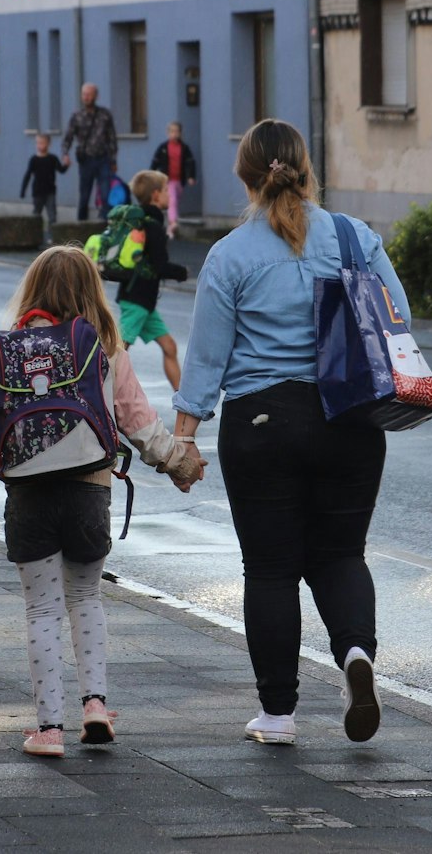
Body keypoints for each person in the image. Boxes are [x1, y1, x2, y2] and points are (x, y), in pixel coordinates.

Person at [172, 119, 408, 747]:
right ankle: (355, 654)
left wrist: (184, 438)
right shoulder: (355, 237)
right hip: (350, 418)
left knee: (271, 570)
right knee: (342, 554)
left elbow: (207, 357)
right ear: (306, 168)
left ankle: (277, 714)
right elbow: (397, 318)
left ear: (246, 176)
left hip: (261, 423)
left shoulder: (230, 255)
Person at [0, 247, 205, 757]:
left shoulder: (7, 351)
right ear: (92, 290)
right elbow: (138, 422)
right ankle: (94, 706)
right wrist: (180, 464)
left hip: (28, 498)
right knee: (86, 598)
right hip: (90, 491)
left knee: (42, 610)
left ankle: (49, 729)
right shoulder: (104, 346)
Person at [114, 170, 189, 390]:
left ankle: (183, 398)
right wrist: (182, 272)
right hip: (137, 301)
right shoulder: (152, 226)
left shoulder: (143, 222)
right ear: (155, 195)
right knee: (117, 352)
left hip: (143, 302)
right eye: (166, 190)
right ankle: (100, 394)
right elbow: (160, 266)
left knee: (169, 347)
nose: (169, 194)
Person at [61, 83, 118, 221]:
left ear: (95, 96)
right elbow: (68, 137)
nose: (86, 97)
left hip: (103, 159)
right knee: (84, 195)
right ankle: (81, 225)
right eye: (84, 94)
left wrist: (113, 160)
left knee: (105, 194)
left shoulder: (105, 115)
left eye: (89, 94)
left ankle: (105, 224)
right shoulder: (77, 116)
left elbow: (112, 138)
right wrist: (65, 154)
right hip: (86, 160)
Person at [150, 121, 198, 236]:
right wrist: (151, 175)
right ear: (168, 133)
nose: (174, 134)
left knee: (174, 200)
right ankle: (173, 222)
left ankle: (169, 228)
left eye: (176, 131)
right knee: (172, 200)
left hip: (179, 180)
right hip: (168, 180)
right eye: (172, 131)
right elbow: (155, 161)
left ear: (180, 133)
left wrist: (190, 176)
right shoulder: (163, 148)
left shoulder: (184, 148)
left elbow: (190, 163)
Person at [20, 133, 67, 232]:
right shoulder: (34, 160)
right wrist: (23, 190)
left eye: (42, 143)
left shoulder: (52, 158)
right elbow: (28, 175)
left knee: (52, 215)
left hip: (50, 191)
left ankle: (52, 235)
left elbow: (61, 170)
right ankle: (34, 234)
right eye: (38, 143)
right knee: (36, 215)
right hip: (38, 192)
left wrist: (66, 164)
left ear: (48, 144)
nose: (40, 145)